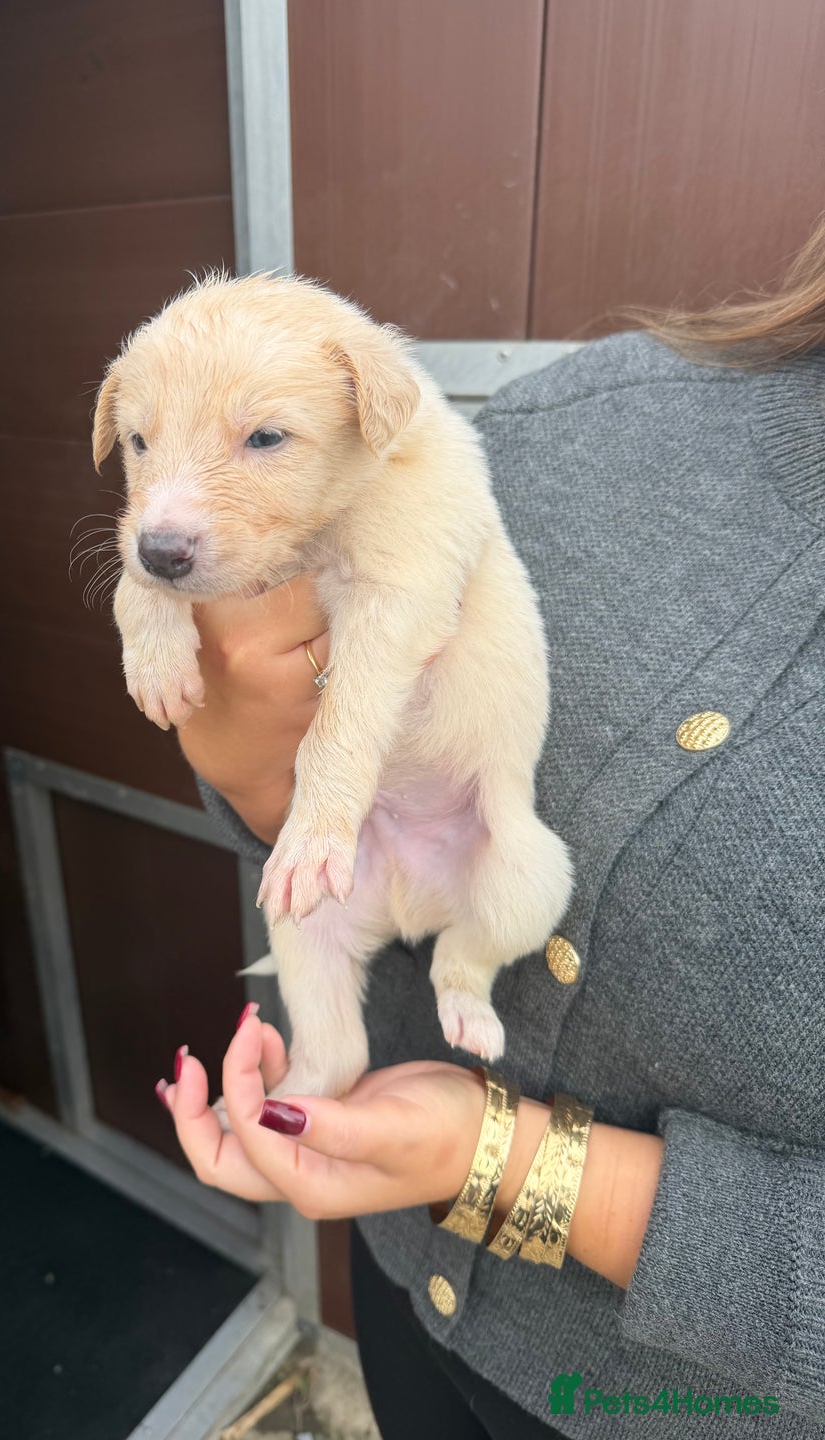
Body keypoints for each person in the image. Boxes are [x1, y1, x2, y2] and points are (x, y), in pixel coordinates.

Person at [154, 219, 825, 1438]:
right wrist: (259, 776)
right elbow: (301, 731)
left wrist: (505, 1159)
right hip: (403, 1284)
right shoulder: (585, 411)